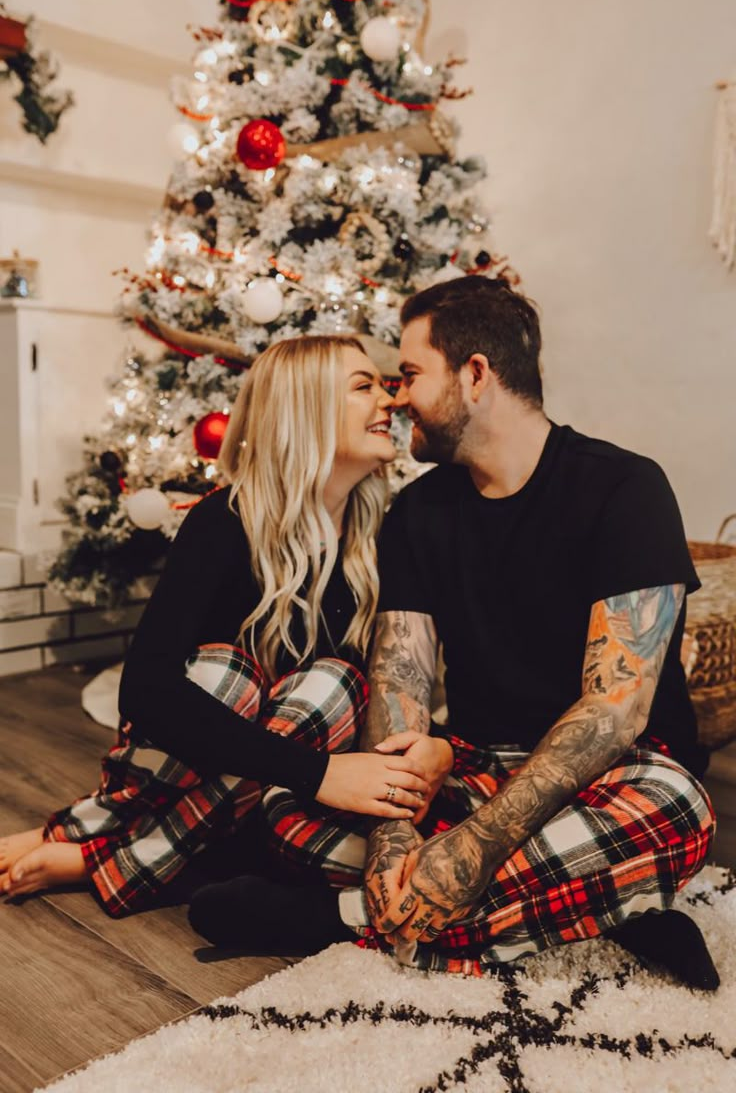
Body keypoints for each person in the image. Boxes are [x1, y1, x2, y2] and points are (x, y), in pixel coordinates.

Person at [189, 277, 719, 991]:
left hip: (611, 775)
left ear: (475, 375)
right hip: (470, 765)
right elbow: (400, 682)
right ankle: (603, 904)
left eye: (410, 374)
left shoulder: (623, 489)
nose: (397, 396)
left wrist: (474, 846)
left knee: (675, 811)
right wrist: (396, 834)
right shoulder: (417, 512)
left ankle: (337, 918)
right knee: (287, 813)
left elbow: (612, 711)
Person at [0, 334, 451, 919]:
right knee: (226, 676)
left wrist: (432, 743)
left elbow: (394, 683)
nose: (388, 400)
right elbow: (147, 691)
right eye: (363, 387)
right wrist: (317, 773)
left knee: (335, 687)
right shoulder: (224, 521)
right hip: (221, 770)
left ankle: (100, 854)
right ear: (305, 407)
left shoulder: (383, 538)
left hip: (282, 798)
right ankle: (106, 837)